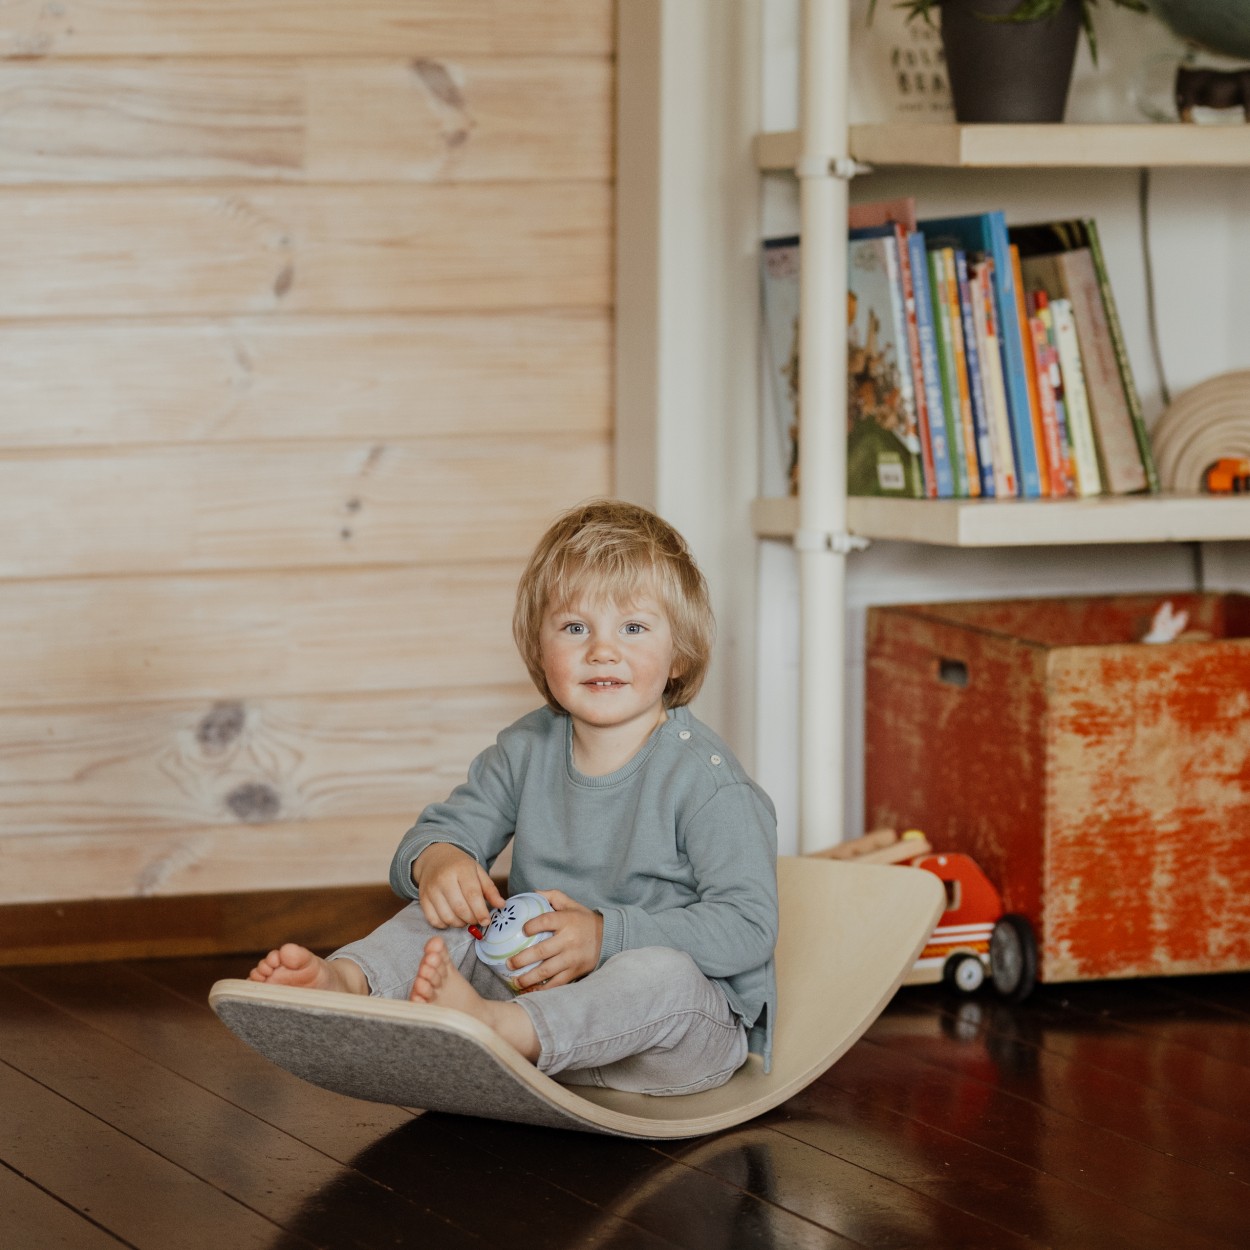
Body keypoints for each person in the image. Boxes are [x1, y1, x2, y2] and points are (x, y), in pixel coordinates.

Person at [248, 499, 778, 1095]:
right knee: (449, 911)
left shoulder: (708, 783)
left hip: (670, 1038)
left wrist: (606, 936)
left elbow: (747, 927)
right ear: (538, 647)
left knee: (661, 974)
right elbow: (438, 834)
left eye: (633, 628)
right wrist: (440, 861)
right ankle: (350, 983)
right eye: (575, 628)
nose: (602, 650)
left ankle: (501, 1029)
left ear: (679, 653)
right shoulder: (527, 748)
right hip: (539, 996)